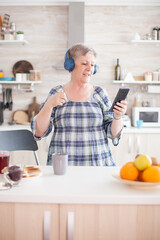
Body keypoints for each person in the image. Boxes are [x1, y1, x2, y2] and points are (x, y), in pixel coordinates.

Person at [31, 44, 127, 166]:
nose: (89, 68)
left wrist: (118, 117)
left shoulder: (99, 93)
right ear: (70, 65)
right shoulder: (56, 93)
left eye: (92, 65)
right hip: (63, 166)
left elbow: (113, 134)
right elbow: (39, 132)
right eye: (84, 63)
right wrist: (49, 105)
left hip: (98, 164)